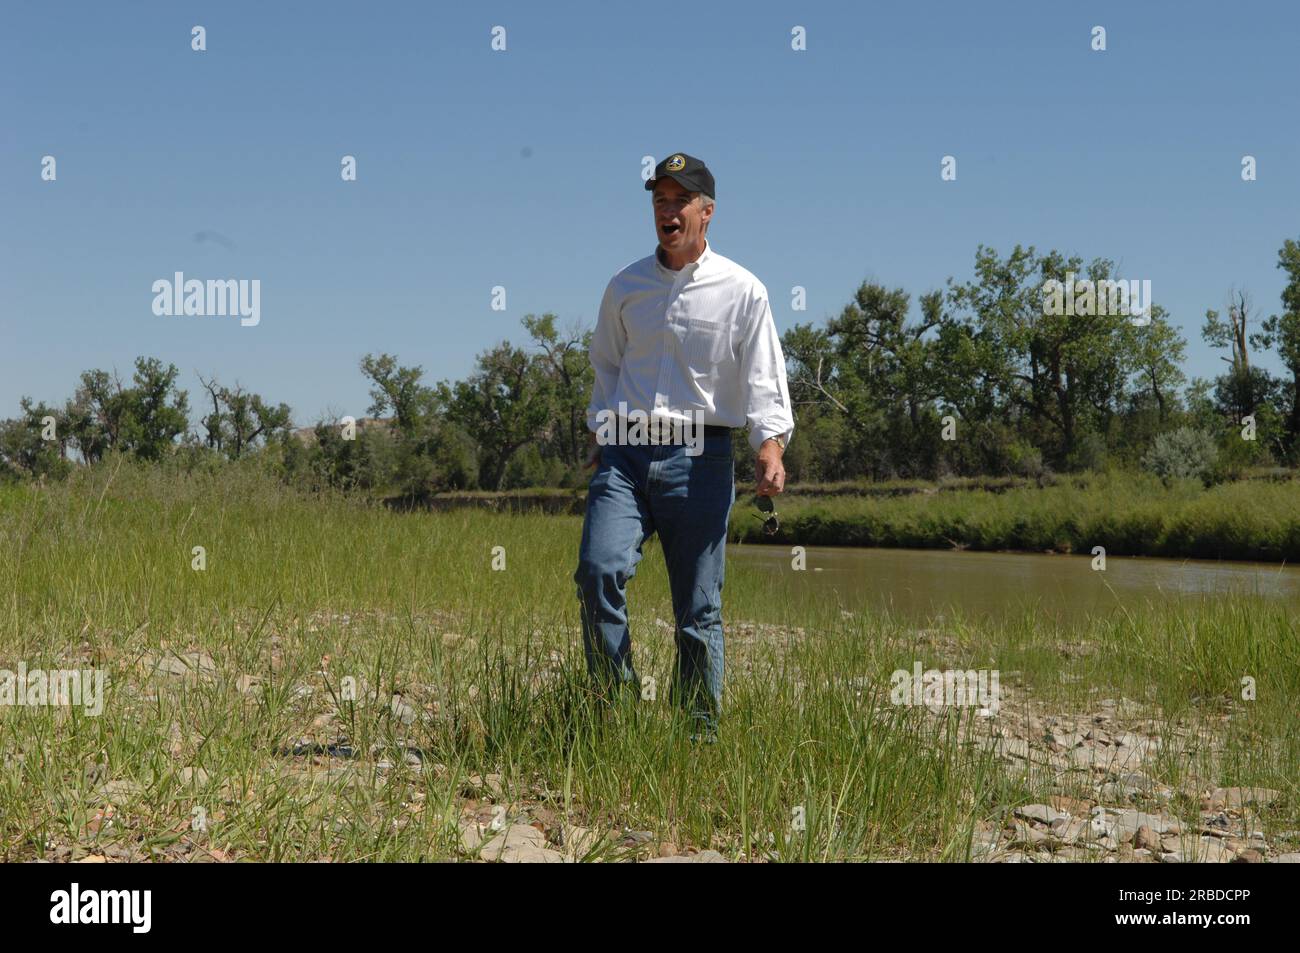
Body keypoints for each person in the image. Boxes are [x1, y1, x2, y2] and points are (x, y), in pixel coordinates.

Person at [573, 152, 794, 737]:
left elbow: (763, 377)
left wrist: (769, 446)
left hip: (702, 457)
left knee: (697, 610)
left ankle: (696, 735)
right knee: (598, 571)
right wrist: (601, 431)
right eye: (659, 201)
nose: (667, 212)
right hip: (625, 452)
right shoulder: (625, 286)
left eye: (679, 201)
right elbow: (606, 366)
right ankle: (614, 715)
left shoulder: (744, 291)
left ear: (707, 212)